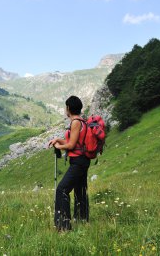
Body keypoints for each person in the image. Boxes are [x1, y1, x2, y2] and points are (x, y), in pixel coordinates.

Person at [48, 95, 90, 231]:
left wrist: (59, 147)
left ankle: (63, 226)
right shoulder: (80, 121)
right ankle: (82, 220)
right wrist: (59, 140)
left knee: (62, 189)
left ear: (68, 108)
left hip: (78, 162)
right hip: (81, 160)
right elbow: (74, 142)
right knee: (80, 191)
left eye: (65, 107)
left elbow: (71, 145)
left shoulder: (76, 122)